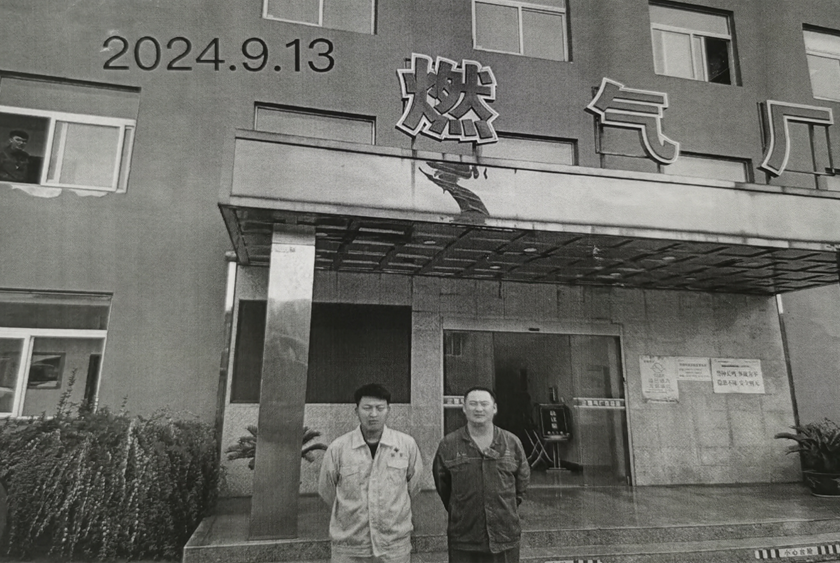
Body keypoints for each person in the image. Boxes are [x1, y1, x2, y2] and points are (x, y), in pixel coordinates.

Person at [318, 383, 424, 563]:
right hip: (350, 546)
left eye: (379, 408)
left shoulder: (406, 445)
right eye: (367, 408)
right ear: (356, 411)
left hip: (393, 545)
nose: (373, 414)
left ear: (388, 410)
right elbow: (326, 490)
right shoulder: (339, 448)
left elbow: (414, 486)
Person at [433, 387, 530, 563]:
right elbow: (443, 485)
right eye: (473, 404)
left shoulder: (511, 442)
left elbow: (521, 484)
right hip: (463, 537)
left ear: (494, 408)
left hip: (504, 535)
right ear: (464, 408)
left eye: (484, 404)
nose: (478, 409)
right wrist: (462, 508)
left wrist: (503, 505)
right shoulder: (449, 444)